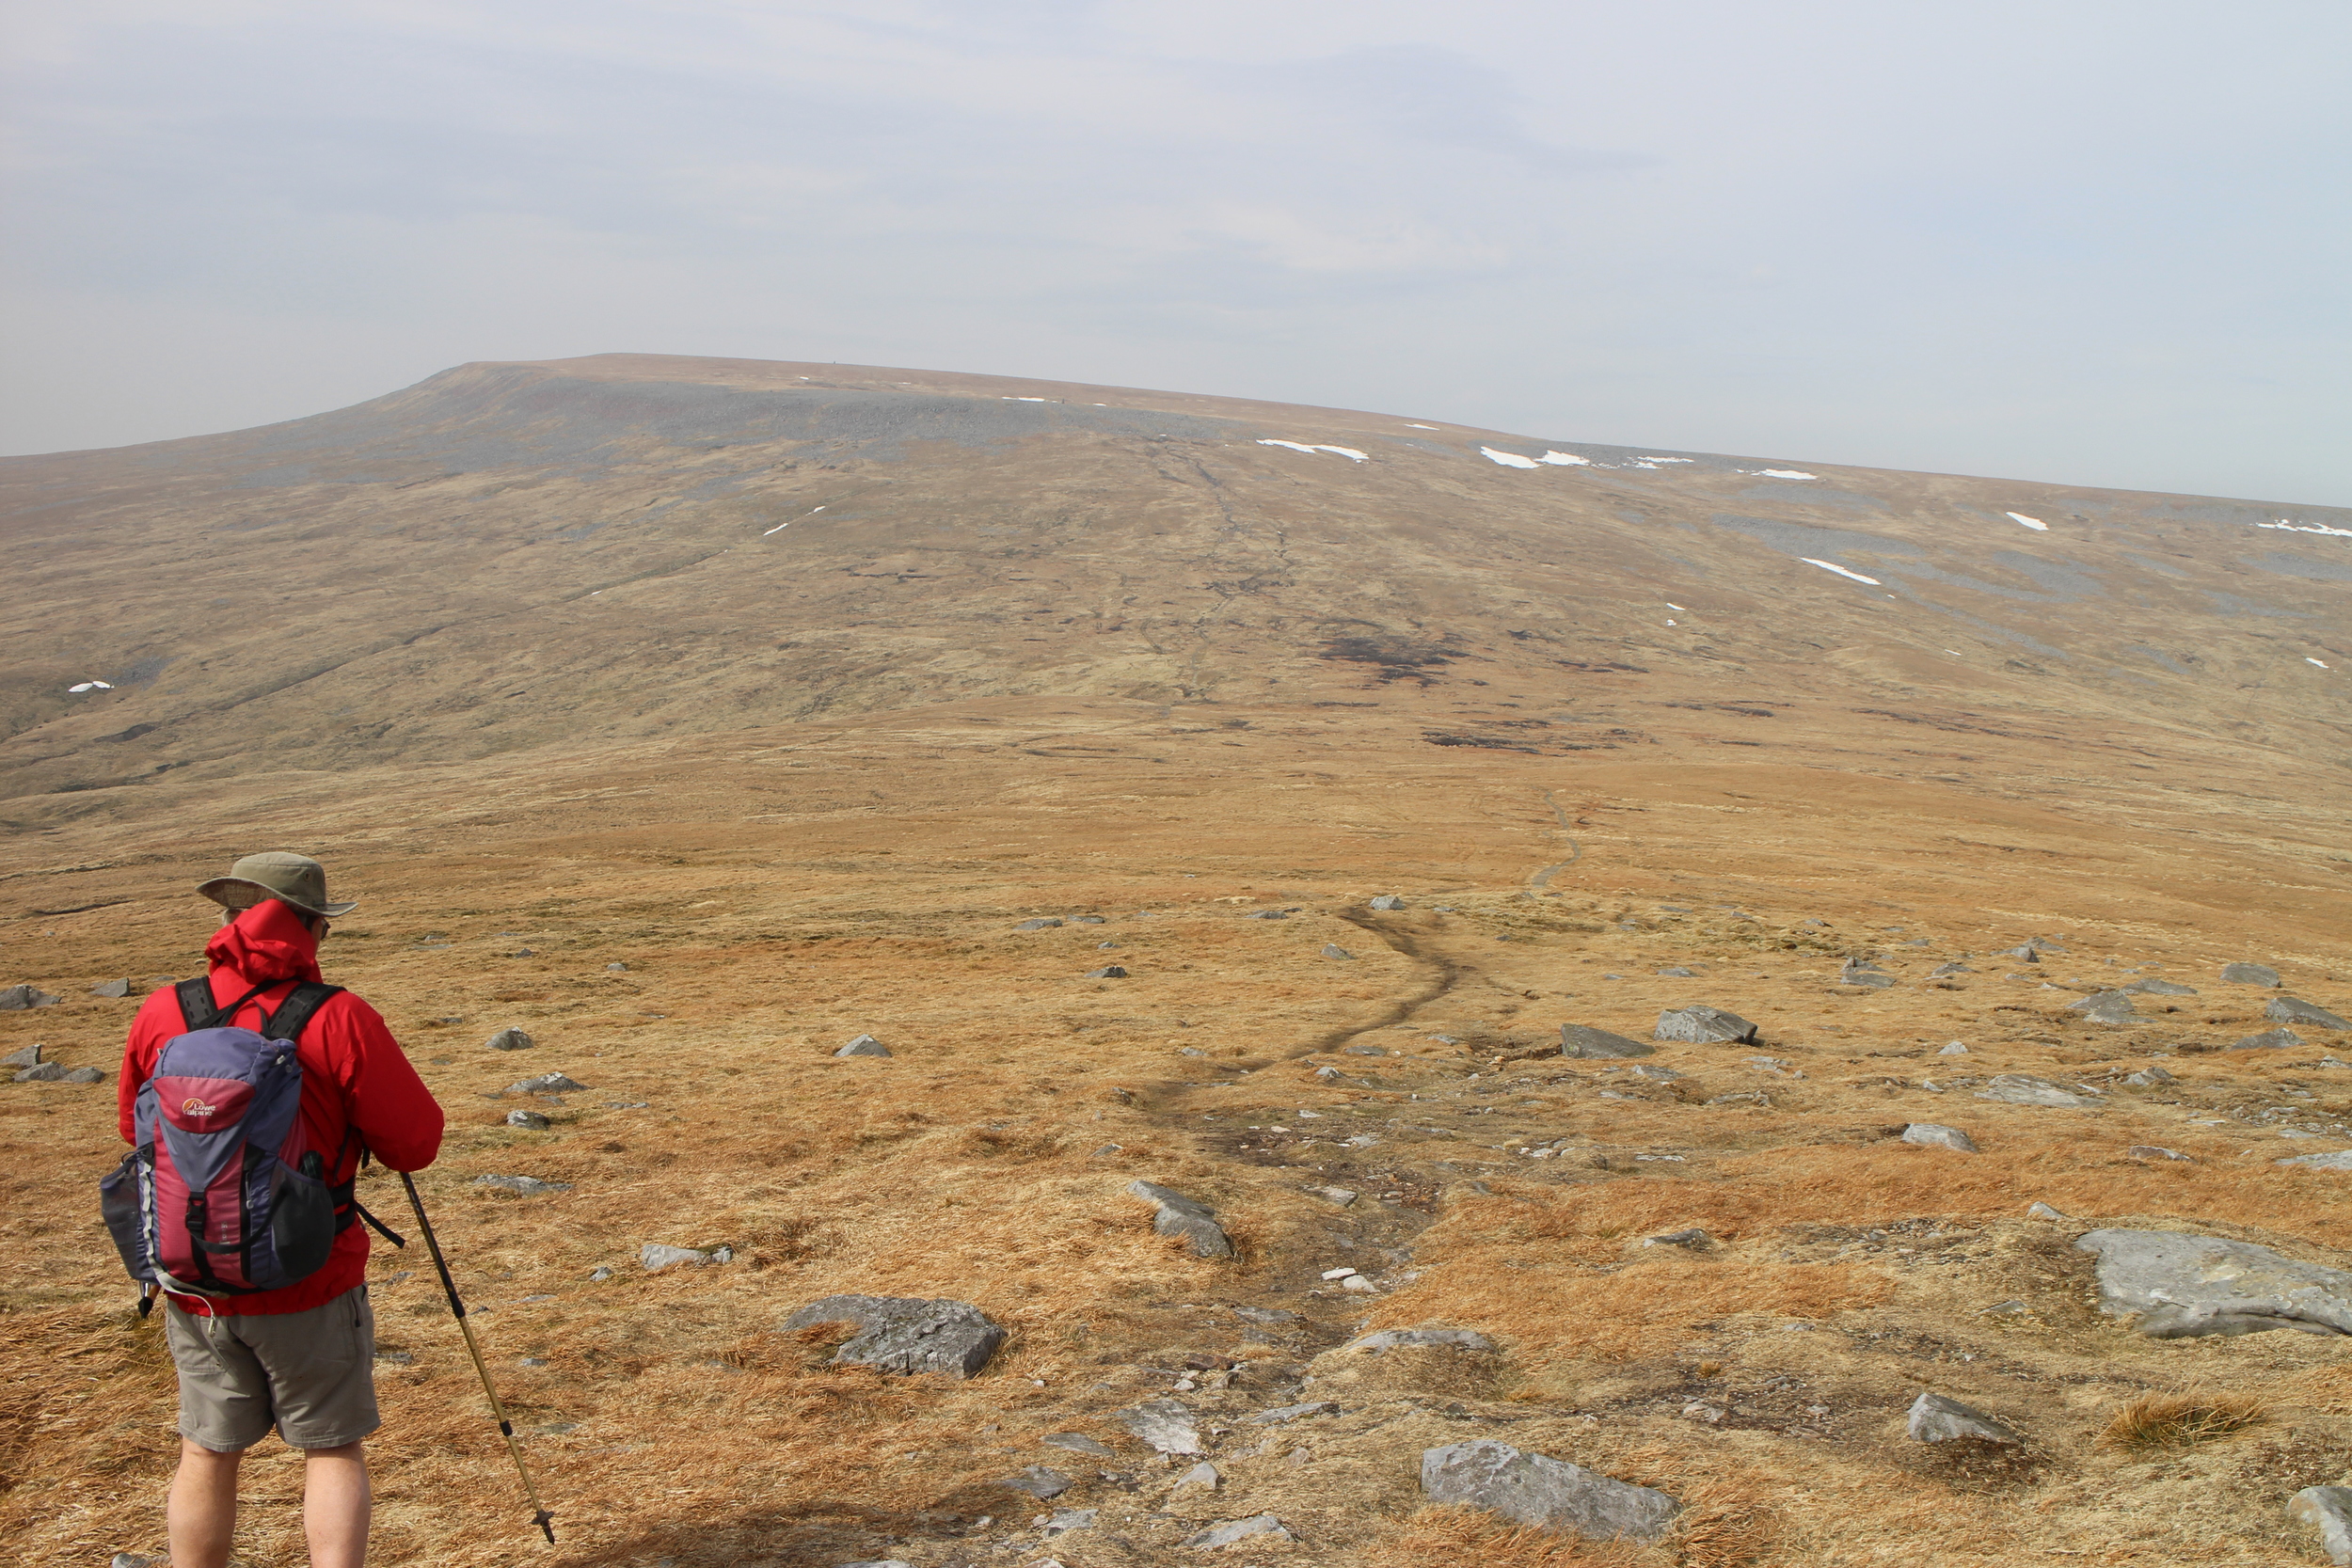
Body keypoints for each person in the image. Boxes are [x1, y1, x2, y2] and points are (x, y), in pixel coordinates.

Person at [118, 851, 443, 1568]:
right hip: (312, 1275)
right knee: (331, 1447)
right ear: (314, 929)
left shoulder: (164, 1010)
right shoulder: (340, 1017)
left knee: (204, 1449)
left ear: (229, 919)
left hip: (194, 1276)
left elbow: (132, 1130)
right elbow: (416, 1143)